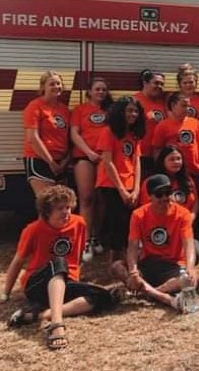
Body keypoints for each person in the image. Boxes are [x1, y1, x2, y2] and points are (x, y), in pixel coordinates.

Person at [0, 186, 120, 350]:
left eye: (68, 207)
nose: (66, 212)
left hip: (64, 283)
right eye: (60, 208)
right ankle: (56, 324)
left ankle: (39, 315)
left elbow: (77, 259)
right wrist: (5, 294)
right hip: (38, 284)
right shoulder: (33, 230)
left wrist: (75, 281)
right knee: (59, 261)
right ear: (47, 211)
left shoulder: (79, 223)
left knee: (104, 295)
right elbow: (17, 262)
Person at [110, 174, 198, 312]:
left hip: (173, 264)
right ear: (150, 196)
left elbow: (189, 243)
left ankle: (151, 293)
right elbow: (132, 246)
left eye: (168, 193)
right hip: (148, 263)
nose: (164, 198)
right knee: (117, 266)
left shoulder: (183, 214)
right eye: (159, 194)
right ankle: (166, 298)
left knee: (189, 280)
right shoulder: (138, 215)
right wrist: (133, 272)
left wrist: (190, 267)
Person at [70, 77, 113, 261]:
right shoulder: (80, 110)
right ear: (89, 92)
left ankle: (96, 236)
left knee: (101, 199)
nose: (101, 92)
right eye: (97, 89)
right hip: (85, 158)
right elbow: (74, 133)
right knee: (86, 199)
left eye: (104, 89)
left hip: (105, 158)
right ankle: (85, 241)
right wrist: (88, 152)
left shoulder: (110, 110)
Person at [96, 96, 144, 259]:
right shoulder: (108, 132)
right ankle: (116, 260)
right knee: (117, 223)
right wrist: (122, 190)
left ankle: (129, 257)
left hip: (130, 185)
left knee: (130, 223)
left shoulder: (134, 134)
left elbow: (136, 161)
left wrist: (137, 188)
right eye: (129, 110)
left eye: (136, 111)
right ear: (120, 112)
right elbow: (108, 163)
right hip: (111, 185)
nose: (134, 114)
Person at [23, 71, 71, 197]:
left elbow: (69, 137)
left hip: (60, 162)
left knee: (61, 204)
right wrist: (51, 163)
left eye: (58, 83)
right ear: (43, 87)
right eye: (52, 84)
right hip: (40, 160)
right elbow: (32, 138)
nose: (56, 87)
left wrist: (64, 162)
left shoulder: (64, 109)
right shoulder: (35, 106)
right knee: (48, 205)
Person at [139, 146, 198, 223]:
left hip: (186, 224)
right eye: (171, 159)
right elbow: (146, 207)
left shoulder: (187, 179)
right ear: (163, 161)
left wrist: (190, 218)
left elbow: (196, 202)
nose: (176, 162)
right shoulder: (151, 181)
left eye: (178, 159)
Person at [152, 92, 199, 178]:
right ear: (173, 105)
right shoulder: (163, 126)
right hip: (174, 172)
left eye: (188, 106)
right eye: (184, 106)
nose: (187, 109)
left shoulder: (195, 122)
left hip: (195, 171)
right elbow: (157, 150)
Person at [134, 69, 167, 179]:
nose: (159, 86)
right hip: (141, 155)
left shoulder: (162, 102)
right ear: (145, 83)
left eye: (162, 84)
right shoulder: (135, 101)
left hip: (159, 155)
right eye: (156, 83)